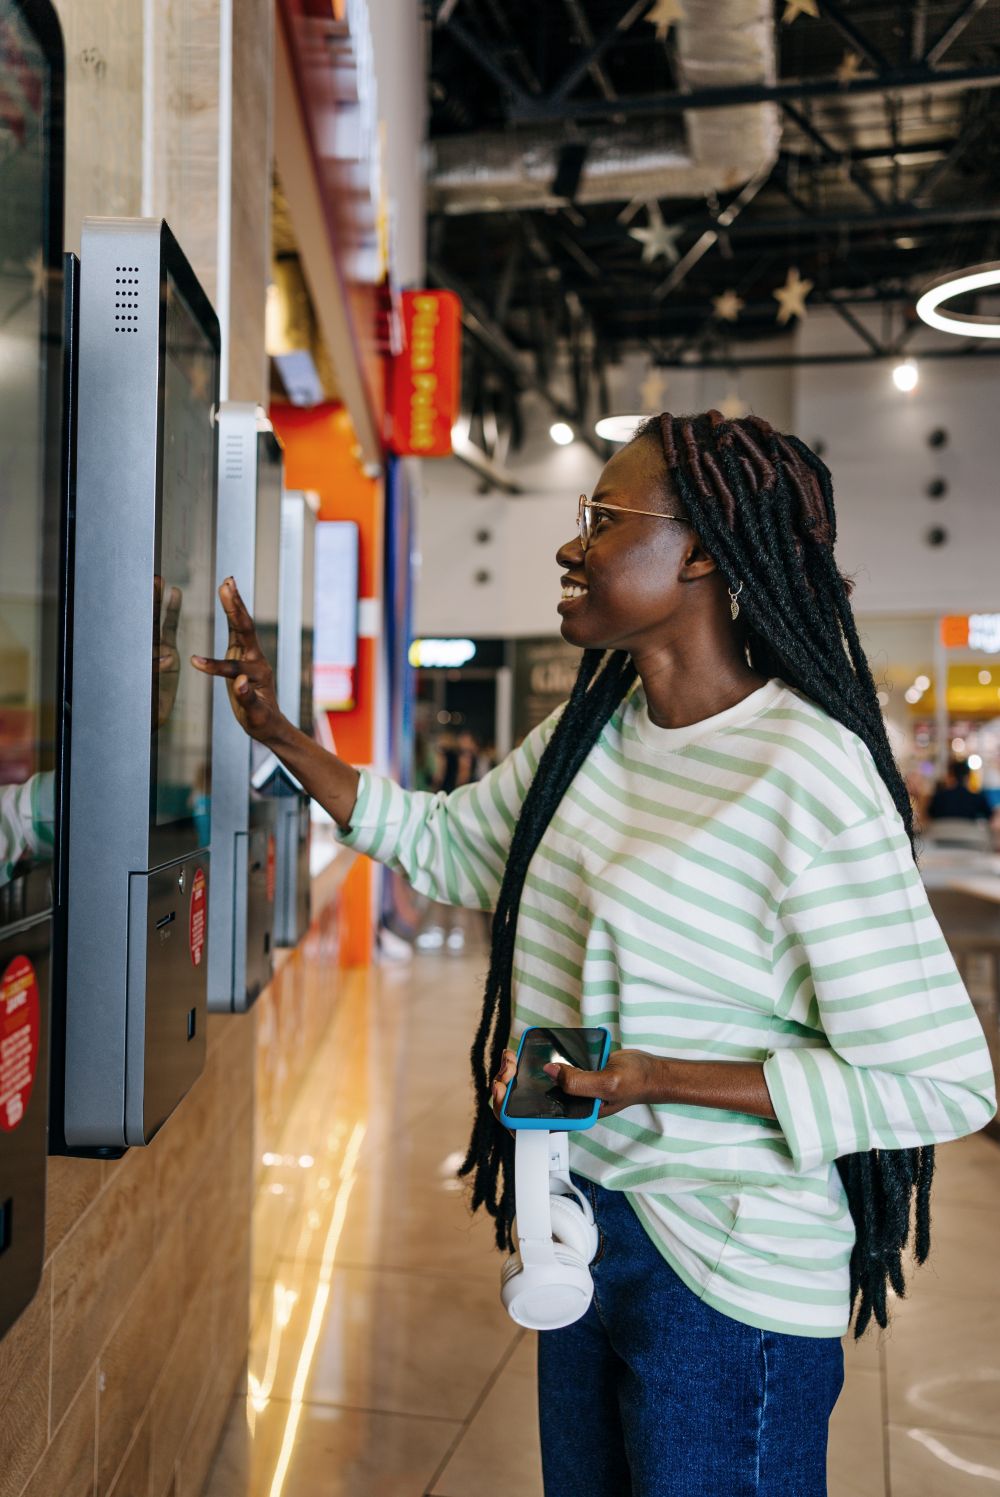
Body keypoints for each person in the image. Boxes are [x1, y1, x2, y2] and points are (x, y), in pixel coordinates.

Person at [194, 410, 996, 1497]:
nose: (571, 547)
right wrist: (280, 737)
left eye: (603, 520)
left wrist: (652, 1081)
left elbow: (938, 1081)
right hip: (584, 1223)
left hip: (729, 1280)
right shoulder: (597, 727)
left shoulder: (806, 774)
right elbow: (449, 843)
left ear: (704, 548)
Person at [927, 758, 992, 823]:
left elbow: (930, 814)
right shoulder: (977, 798)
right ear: (968, 776)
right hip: (969, 832)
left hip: (941, 832)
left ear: (952, 775)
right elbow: (989, 815)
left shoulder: (939, 797)